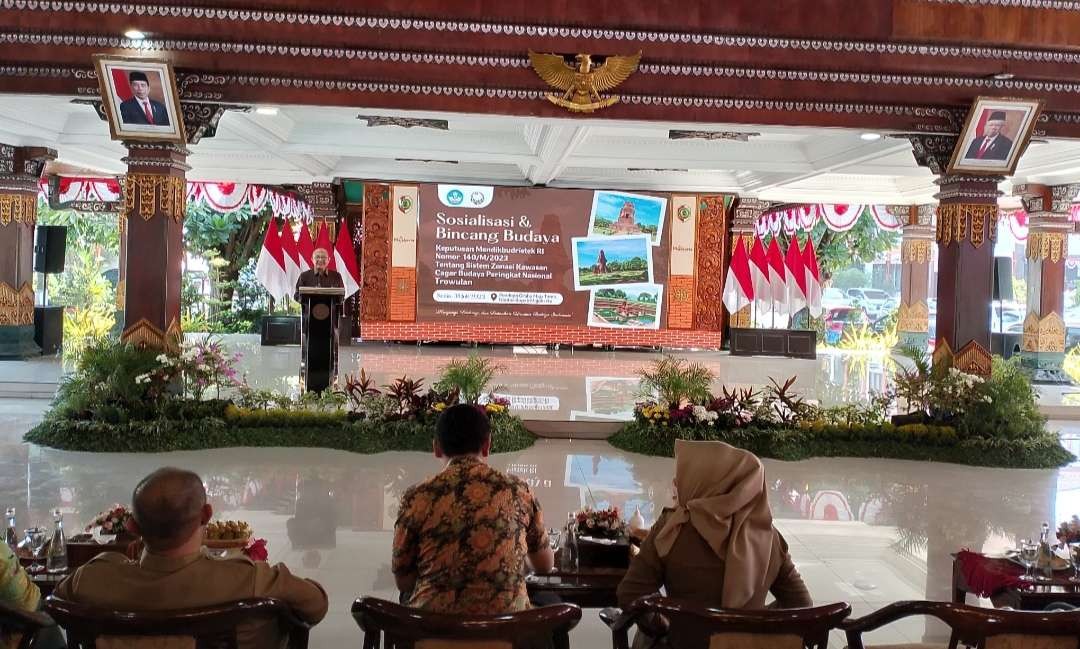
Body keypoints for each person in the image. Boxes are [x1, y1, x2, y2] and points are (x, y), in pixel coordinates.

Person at [55, 468, 328, 648]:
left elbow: (55, 603)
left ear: (132, 527)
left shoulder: (89, 581)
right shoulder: (250, 581)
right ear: (207, 515)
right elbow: (316, 605)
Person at [617, 440, 811, 647]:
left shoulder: (673, 528)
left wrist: (662, 625)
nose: (676, 481)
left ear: (702, 481)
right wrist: (754, 623)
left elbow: (630, 593)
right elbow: (801, 606)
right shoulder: (768, 536)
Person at [393, 404, 554, 614]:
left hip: (433, 627)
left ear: (436, 448)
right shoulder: (519, 491)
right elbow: (545, 565)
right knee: (549, 600)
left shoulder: (416, 496)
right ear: (487, 445)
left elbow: (403, 580)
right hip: (507, 628)